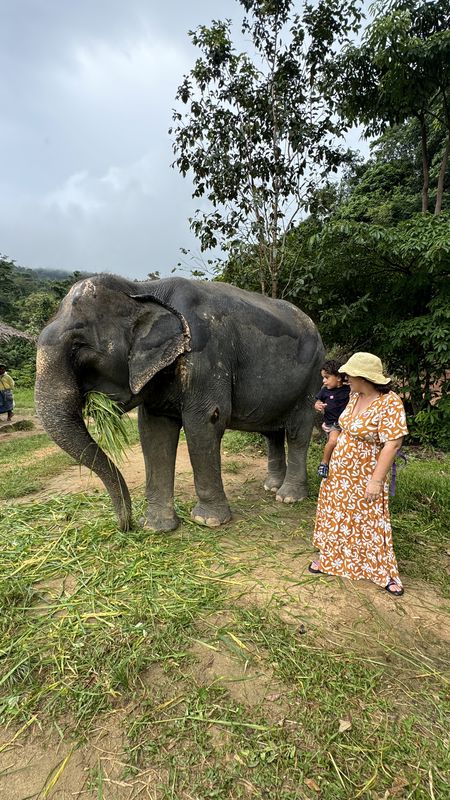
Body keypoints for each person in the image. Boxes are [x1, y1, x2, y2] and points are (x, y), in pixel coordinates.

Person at [310, 352, 408, 597]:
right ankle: (331, 559)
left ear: (363, 377)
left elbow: (392, 444)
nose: (345, 378)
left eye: (349, 374)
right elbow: (345, 427)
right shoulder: (355, 396)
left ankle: (382, 571)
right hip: (340, 472)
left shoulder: (390, 402)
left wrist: (376, 480)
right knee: (338, 515)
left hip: (365, 474)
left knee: (369, 520)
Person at [314, 359, 350, 478]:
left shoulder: (348, 390)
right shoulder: (324, 391)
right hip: (333, 423)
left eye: (327, 377)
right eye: (323, 378)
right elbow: (317, 402)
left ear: (339, 378)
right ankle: (324, 463)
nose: (324, 381)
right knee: (333, 441)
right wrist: (318, 405)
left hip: (346, 424)